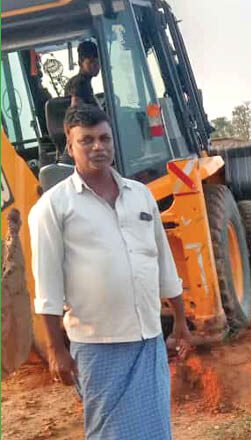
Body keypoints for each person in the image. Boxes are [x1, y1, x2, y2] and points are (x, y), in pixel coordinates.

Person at [28, 104, 192, 439]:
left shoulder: (141, 195)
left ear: (114, 144)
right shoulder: (53, 207)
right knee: (111, 432)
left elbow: (163, 263)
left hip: (148, 338)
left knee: (155, 428)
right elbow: (46, 285)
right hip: (97, 344)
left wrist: (180, 320)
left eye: (104, 138)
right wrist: (56, 349)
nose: (98, 146)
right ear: (70, 147)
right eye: (86, 140)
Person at [64, 41, 100, 107]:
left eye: (97, 61)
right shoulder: (79, 84)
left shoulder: (84, 82)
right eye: (91, 62)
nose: (95, 65)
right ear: (80, 63)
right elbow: (77, 109)